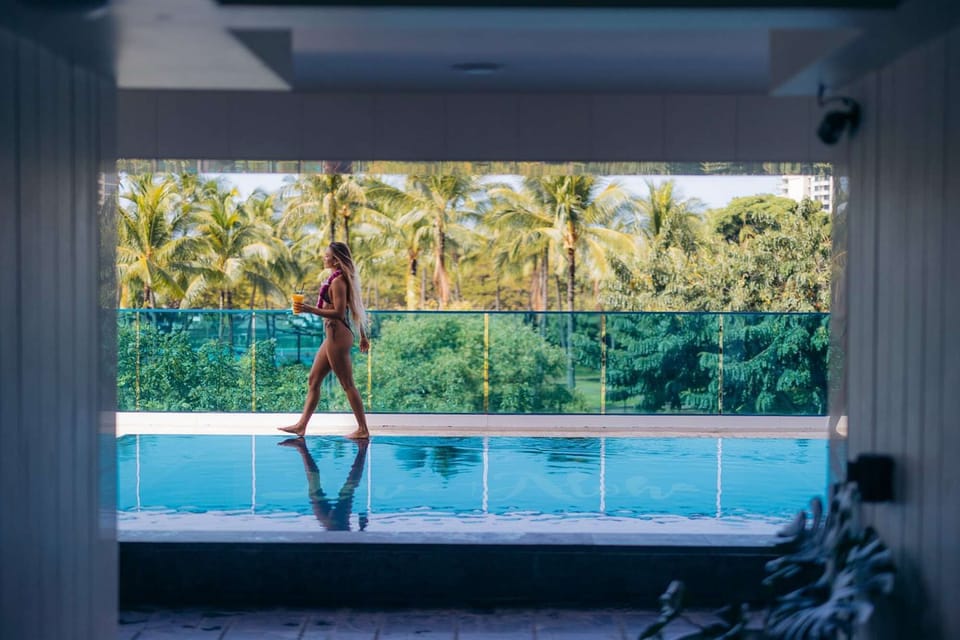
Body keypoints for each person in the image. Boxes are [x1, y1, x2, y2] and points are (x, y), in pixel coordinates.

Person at [280, 241, 371, 439]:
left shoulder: (339, 281)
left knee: (347, 383)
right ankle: (301, 425)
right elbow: (356, 307)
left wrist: (308, 309)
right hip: (332, 336)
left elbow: (339, 312)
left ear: (336, 260)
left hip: (338, 336)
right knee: (313, 379)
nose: (324, 257)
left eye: (327, 255)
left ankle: (363, 429)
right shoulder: (337, 278)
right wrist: (363, 336)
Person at [277, 437, 369, 531]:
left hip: (336, 532)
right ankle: (363, 448)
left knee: (318, 493)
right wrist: (362, 527)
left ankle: (302, 447)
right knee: (346, 491)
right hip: (338, 532)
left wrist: (362, 527)